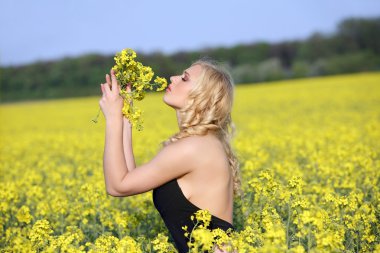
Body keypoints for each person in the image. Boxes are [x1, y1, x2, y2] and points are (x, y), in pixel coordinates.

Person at [99, 59, 240, 253]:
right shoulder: (203, 143)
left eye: (184, 78)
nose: (173, 78)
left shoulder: (193, 147)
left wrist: (113, 118)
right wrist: (125, 116)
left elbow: (117, 186)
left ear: (202, 97)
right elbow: (129, 177)